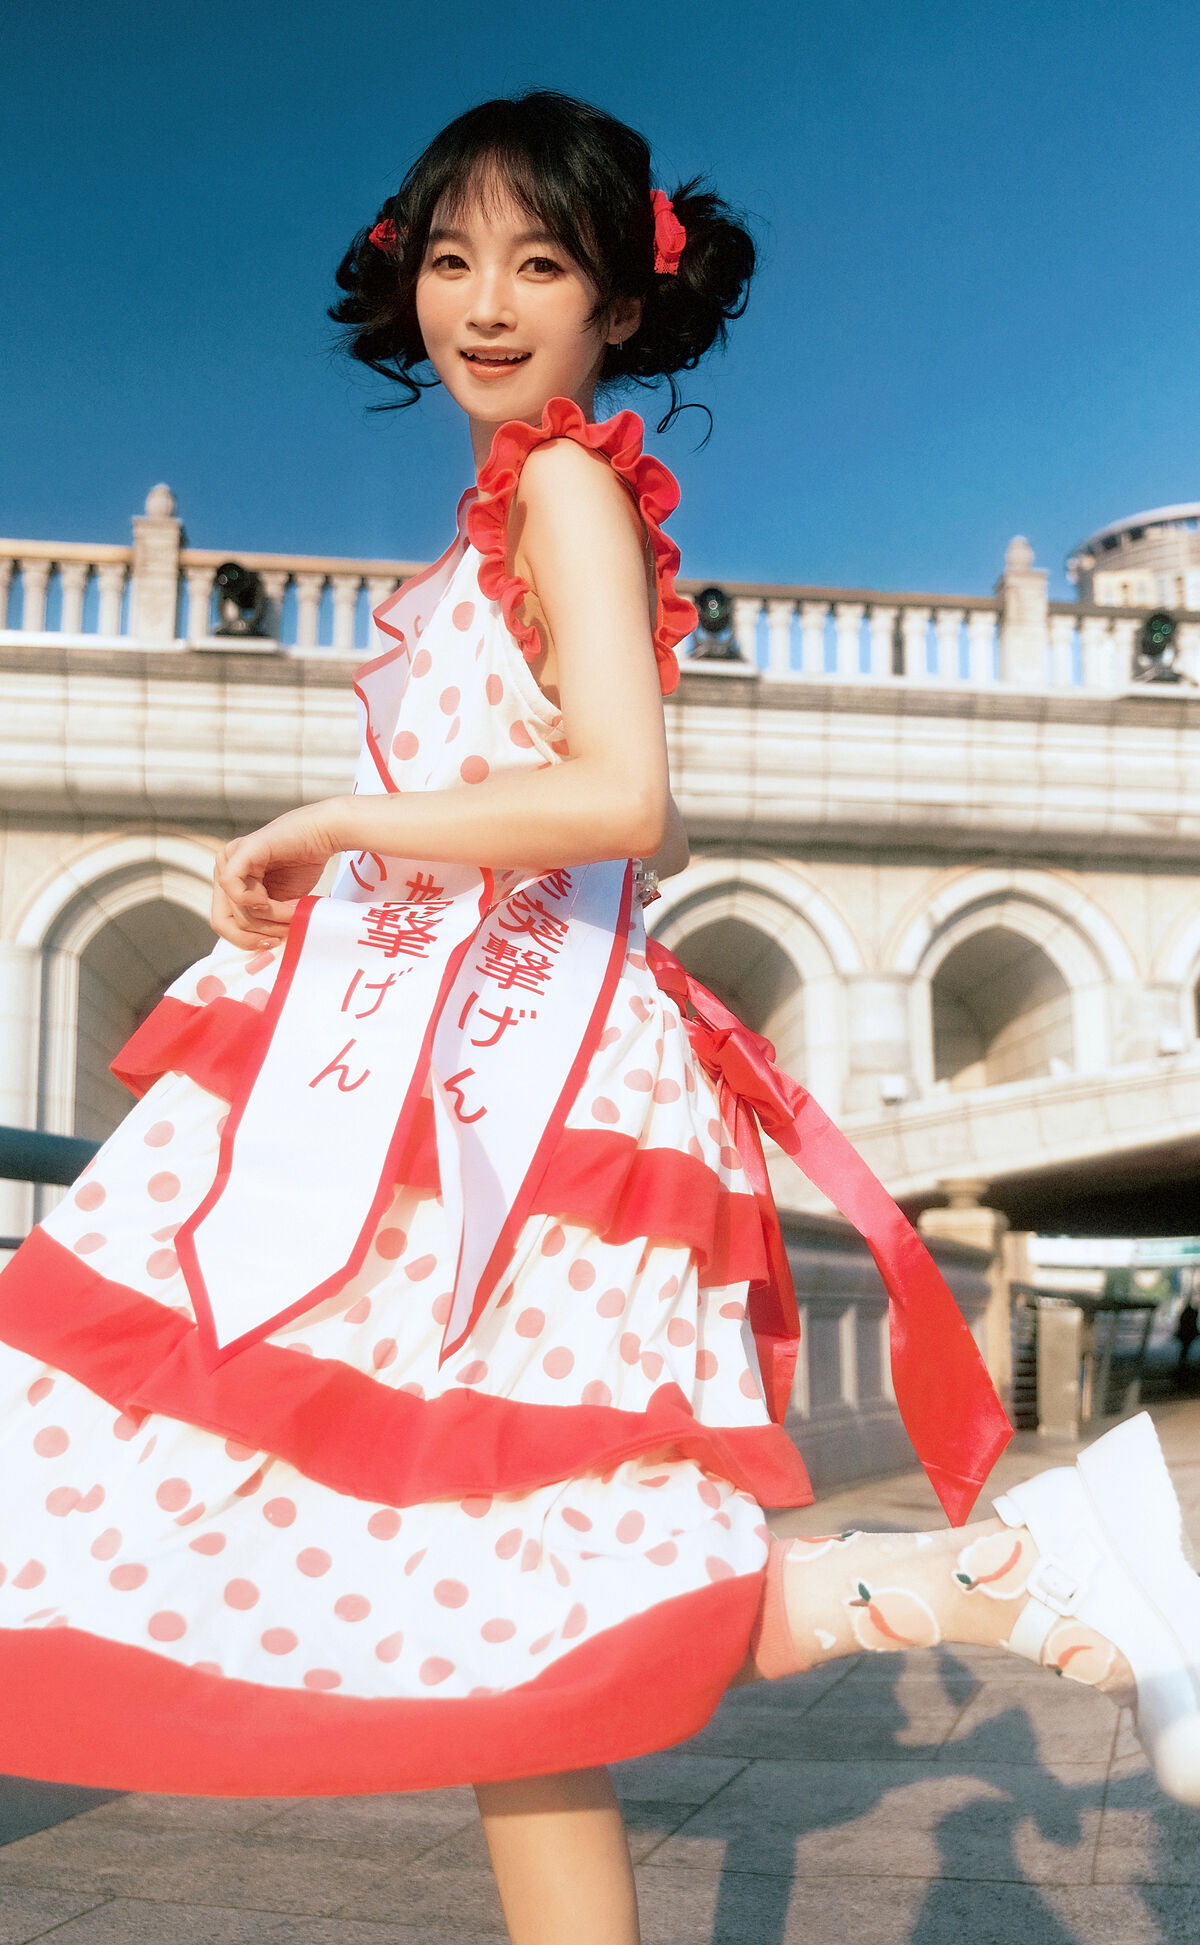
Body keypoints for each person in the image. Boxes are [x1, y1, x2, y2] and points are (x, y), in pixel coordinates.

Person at [0, 87, 1195, 1945]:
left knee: (492, 1561)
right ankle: (1012, 1571)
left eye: (539, 264)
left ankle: (1011, 1572)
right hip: (501, 1050)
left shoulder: (562, 487)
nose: (484, 302)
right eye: (451, 259)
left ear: (619, 302)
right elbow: (653, 813)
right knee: (513, 1605)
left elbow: (624, 801)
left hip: (511, 1086)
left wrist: (342, 823)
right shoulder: (544, 504)